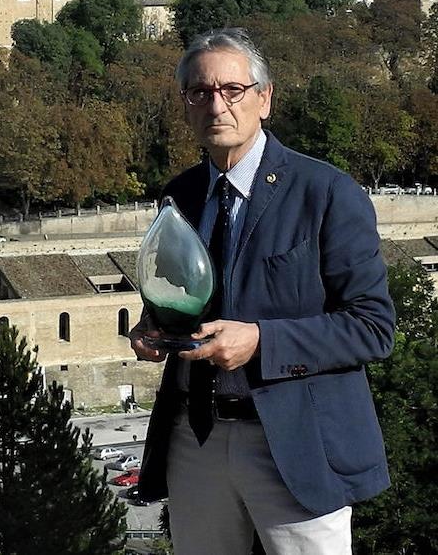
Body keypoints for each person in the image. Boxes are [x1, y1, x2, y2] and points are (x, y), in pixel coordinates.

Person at [130, 28, 393, 554]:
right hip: (194, 436)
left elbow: (373, 327)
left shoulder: (326, 193)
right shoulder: (178, 195)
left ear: (263, 99)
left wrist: (261, 342)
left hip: (295, 443)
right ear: (185, 105)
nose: (216, 105)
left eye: (232, 91)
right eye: (200, 93)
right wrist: (153, 329)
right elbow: (177, 296)